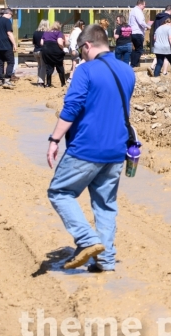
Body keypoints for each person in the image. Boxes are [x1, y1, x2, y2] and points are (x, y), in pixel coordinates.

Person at [46, 23, 135, 272]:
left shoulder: (85, 71)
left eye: (80, 50)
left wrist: (54, 140)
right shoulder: (127, 71)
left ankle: (87, 241)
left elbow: (71, 109)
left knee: (60, 192)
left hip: (86, 147)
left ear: (87, 46)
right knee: (105, 205)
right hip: (117, 150)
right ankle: (105, 260)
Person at [0, 8, 17, 87]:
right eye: (11, 15)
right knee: (11, 62)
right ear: (8, 13)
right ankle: (7, 80)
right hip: (6, 45)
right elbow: (9, 33)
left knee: (0, 63)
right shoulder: (7, 21)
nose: (11, 17)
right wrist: (14, 44)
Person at [41, 22, 68, 87]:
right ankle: (63, 83)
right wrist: (63, 48)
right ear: (58, 27)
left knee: (49, 67)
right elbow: (60, 42)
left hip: (46, 51)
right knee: (60, 67)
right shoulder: (58, 33)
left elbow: (41, 43)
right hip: (56, 52)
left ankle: (48, 83)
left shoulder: (46, 33)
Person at [129, 0, 149, 68]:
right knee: (139, 50)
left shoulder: (132, 11)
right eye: (144, 5)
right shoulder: (138, 11)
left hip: (133, 32)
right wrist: (147, 26)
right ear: (140, 5)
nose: (145, 7)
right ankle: (133, 64)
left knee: (135, 50)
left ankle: (135, 64)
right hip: (137, 33)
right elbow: (141, 22)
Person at [33, 19, 49, 86]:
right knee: (43, 66)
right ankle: (41, 81)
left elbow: (33, 42)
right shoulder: (46, 33)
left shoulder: (35, 32)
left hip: (35, 51)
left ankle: (39, 80)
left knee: (39, 66)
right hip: (42, 51)